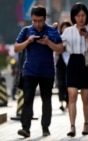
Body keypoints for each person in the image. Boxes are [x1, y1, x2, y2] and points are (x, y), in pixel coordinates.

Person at [14, 5, 63, 138]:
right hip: (29, 71)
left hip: (47, 72)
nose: (37, 24)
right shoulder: (26, 31)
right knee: (28, 99)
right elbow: (16, 48)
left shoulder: (52, 31)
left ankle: (45, 128)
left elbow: (60, 49)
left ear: (45, 18)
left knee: (46, 100)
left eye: (40, 21)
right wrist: (28, 41)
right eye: (34, 21)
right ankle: (25, 128)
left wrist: (48, 43)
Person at [61, 2, 88, 137]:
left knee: (85, 97)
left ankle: (86, 123)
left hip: (87, 62)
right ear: (73, 17)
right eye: (77, 15)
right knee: (72, 94)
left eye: (83, 15)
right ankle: (72, 126)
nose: (80, 18)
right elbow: (60, 44)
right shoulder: (68, 31)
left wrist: (87, 36)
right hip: (73, 62)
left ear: (86, 16)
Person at [54, 21, 72, 112]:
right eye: (63, 28)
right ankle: (61, 102)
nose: (64, 29)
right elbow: (57, 51)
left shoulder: (73, 38)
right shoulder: (59, 38)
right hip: (60, 63)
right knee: (60, 83)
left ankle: (68, 103)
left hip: (70, 62)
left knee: (68, 84)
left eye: (67, 28)